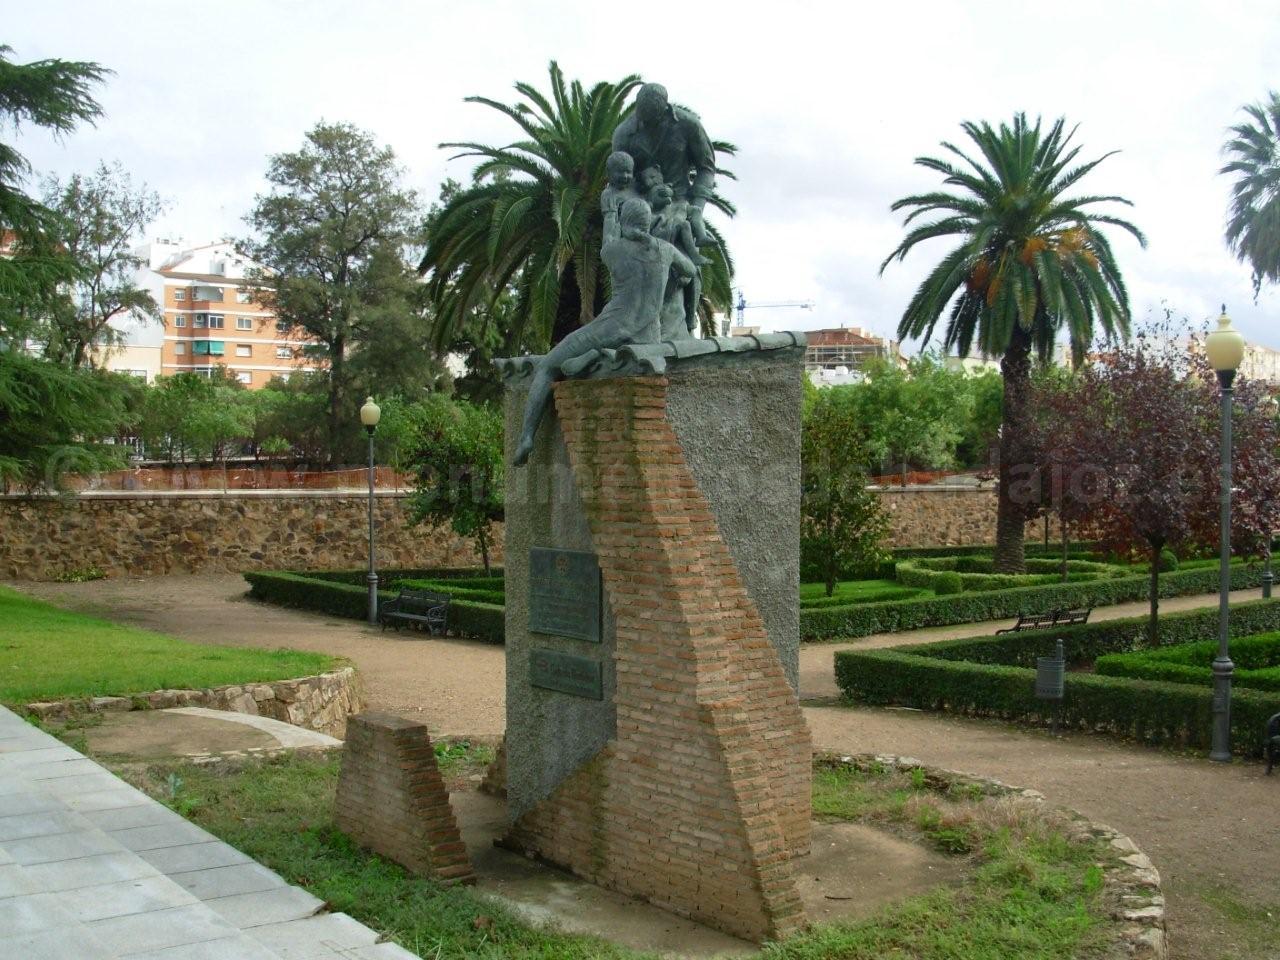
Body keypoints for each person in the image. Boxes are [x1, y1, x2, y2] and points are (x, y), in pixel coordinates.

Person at [513, 197, 696, 465]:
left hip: (612, 327)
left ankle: (526, 436)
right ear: (647, 223)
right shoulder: (665, 250)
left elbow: (610, 231)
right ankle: (588, 359)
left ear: (625, 222)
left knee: (548, 366)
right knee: (583, 356)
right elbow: (690, 269)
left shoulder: (613, 250)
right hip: (648, 335)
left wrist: (610, 209)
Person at [611, 83, 716, 247]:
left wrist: (697, 209)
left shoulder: (689, 125)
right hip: (640, 205)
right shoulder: (624, 133)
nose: (644, 124)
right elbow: (617, 176)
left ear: (664, 110)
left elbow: (706, 169)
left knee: (680, 256)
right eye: (641, 118)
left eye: (650, 120)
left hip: (680, 202)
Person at [639, 167, 703, 340]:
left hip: (678, 258)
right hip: (659, 262)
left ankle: (691, 320)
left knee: (695, 275)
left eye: (652, 177)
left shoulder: (679, 205)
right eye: (646, 179)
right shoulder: (645, 208)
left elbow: (693, 214)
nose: (649, 181)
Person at [600, 151, 638, 245]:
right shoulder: (609, 194)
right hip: (624, 235)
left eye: (628, 172)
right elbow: (610, 218)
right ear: (609, 172)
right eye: (620, 172)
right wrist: (608, 238)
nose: (625, 176)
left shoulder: (635, 189)